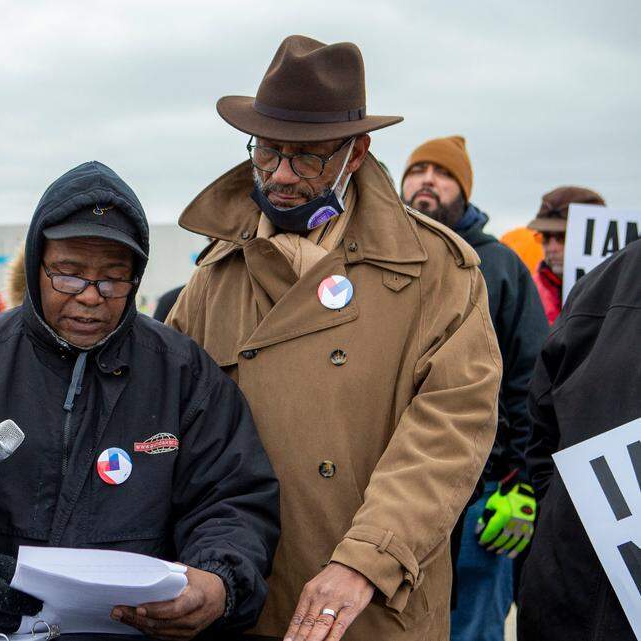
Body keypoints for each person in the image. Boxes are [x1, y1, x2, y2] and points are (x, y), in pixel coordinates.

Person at [166, 36, 502, 640]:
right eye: (268, 151)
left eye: (308, 157)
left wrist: (367, 559)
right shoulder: (214, 274)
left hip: (371, 603)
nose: (281, 175)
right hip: (236, 599)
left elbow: (451, 428)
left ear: (356, 153)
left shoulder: (437, 270)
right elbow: (163, 413)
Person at [0, 161, 280, 639]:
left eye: (113, 278)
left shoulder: (185, 375)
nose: (91, 297)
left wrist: (218, 579)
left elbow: (233, 498)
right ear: (37, 264)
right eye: (68, 275)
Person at [401, 135, 549, 641]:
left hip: (483, 488)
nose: (427, 180)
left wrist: (520, 479)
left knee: (472, 627)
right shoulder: (381, 260)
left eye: (442, 173)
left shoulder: (502, 266)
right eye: (417, 170)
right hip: (391, 486)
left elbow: (530, 379)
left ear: (464, 191)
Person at [518, 239, 641, 640]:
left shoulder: (601, 279)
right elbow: (541, 421)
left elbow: (539, 419)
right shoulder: (605, 281)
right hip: (573, 580)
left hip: (564, 580)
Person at [525, 186, 606, 324]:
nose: (552, 248)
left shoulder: (624, 290)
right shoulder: (528, 291)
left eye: (563, 237)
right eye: (546, 237)